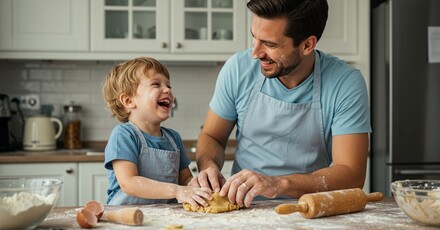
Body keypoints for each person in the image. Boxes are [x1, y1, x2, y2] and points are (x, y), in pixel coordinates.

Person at [189, 0, 371, 208]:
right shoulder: (238, 69)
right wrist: (209, 166)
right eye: (254, 38)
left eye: (270, 44)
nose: (255, 53)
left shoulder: (345, 83)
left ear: (307, 45)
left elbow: (351, 172)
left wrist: (278, 184)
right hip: (244, 209)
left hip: (308, 209)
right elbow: (212, 136)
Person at [102, 57, 212, 206]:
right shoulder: (124, 135)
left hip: (166, 218)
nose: (167, 89)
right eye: (156, 84)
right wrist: (176, 191)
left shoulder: (173, 138)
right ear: (128, 101)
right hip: (126, 218)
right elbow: (129, 183)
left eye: (168, 85)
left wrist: (198, 187)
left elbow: (185, 180)